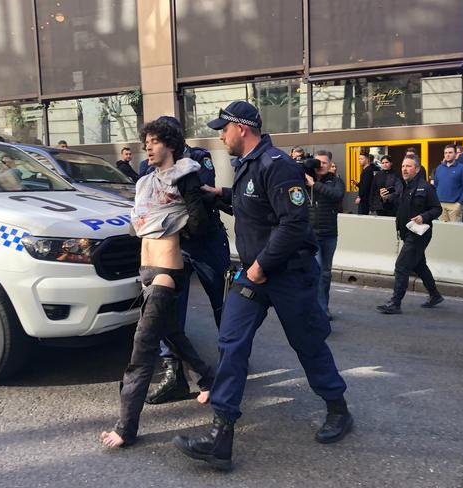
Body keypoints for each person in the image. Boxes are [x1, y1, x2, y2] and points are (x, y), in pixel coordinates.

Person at [173, 101, 351, 471]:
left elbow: (293, 225)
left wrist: (260, 267)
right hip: (255, 274)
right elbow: (252, 207)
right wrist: (217, 194)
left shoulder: (277, 165)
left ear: (243, 128)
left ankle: (338, 408)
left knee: (308, 344)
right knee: (231, 342)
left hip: (287, 275)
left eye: (224, 127)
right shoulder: (247, 167)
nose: (220, 134)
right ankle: (219, 440)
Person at [100, 120, 215, 449]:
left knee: (142, 348)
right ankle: (209, 379)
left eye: (154, 142)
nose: (148, 147)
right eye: (146, 142)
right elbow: (139, 220)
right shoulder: (146, 181)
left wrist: (179, 227)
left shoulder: (185, 176)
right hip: (146, 269)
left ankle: (126, 428)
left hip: (166, 270)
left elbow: (200, 223)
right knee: (173, 335)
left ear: (171, 145)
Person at [145, 116, 232, 405]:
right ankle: (174, 376)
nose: (151, 146)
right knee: (168, 313)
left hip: (206, 243)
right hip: (174, 247)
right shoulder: (150, 168)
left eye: (158, 139)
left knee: (223, 306)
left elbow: (199, 195)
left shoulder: (197, 159)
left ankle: (232, 362)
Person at [377, 156, 443, 315]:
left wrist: (424, 217)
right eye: (403, 166)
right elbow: (395, 205)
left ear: (417, 169)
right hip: (406, 233)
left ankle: (395, 303)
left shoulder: (425, 187)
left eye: (408, 166)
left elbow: (437, 209)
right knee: (419, 265)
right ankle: (435, 295)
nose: (404, 169)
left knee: (401, 266)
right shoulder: (403, 187)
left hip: (419, 234)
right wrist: (386, 199)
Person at [305, 150, 345, 319]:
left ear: (330, 165)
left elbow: (337, 195)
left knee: (326, 273)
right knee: (318, 271)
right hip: (310, 235)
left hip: (329, 235)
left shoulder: (336, 182)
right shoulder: (302, 180)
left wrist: (314, 184)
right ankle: (318, 310)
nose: (320, 165)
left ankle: (323, 306)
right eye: (317, 162)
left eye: (324, 163)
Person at [433, 145, 463, 222]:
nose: (448, 154)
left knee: (455, 231)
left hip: (455, 205)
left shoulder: (462, 168)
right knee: (443, 230)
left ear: (455, 154)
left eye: (450, 152)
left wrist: (460, 203)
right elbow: (436, 185)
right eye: (446, 153)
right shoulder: (439, 168)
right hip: (441, 204)